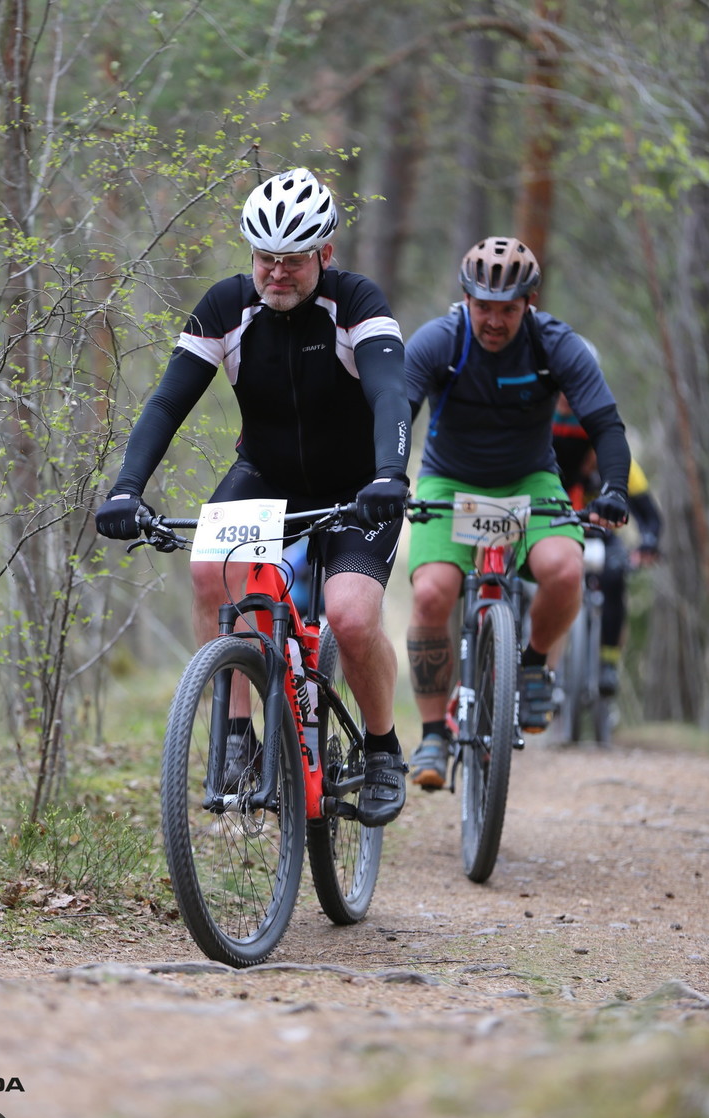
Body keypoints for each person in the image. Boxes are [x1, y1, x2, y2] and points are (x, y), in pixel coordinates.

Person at [95, 168, 412, 826]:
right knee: (210, 572)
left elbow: (389, 392)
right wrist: (127, 488)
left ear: (324, 255)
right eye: (265, 258)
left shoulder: (357, 303)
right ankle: (238, 739)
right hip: (267, 477)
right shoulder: (225, 308)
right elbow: (165, 405)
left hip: (360, 487)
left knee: (349, 616)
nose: (276, 273)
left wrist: (389, 475)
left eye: (293, 261)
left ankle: (381, 749)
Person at [404, 236, 631, 791]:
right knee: (432, 592)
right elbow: (397, 410)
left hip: (529, 482)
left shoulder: (555, 344)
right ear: (466, 299)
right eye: (484, 307)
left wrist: (618, 489)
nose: (495, 321)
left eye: (508, 309)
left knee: (565, 568)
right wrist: (387, 477)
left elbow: (605, 421)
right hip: (449, 480)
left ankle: (531, 663)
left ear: (530, 302)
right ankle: (434, 730)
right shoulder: (439, 339)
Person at [552, 387, 662, 696]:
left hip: (600, 537)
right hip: (559, 530)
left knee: (615, 574)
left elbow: (648, 514)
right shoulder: (558, 455)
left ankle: (608, 662)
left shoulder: (620, 463)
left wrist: (648, 542)